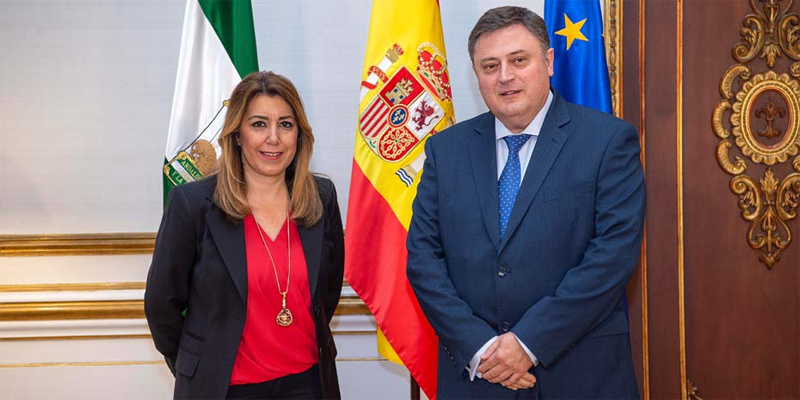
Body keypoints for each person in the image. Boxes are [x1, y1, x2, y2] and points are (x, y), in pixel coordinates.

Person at [406, 6, 645, 400]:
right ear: (476, 74)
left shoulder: (607, 142)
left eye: (519, 60)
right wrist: (483, 349)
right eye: (489, 65)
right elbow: (423, 257)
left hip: (580, 375)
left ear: (548, 62)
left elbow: (612, 256)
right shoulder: (445, 151)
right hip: (477, 376)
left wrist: (528, 342)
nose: (505, 76)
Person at [145, 71, 344, 400]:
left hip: (308, 385)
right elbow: (161, 304)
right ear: (237, 135)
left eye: (285, 124)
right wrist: (197, 364)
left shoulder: (322, 197)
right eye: (258, 124)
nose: (273, 138)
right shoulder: (193, 205)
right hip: (225, 388)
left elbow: (327, 293)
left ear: (300, 135)